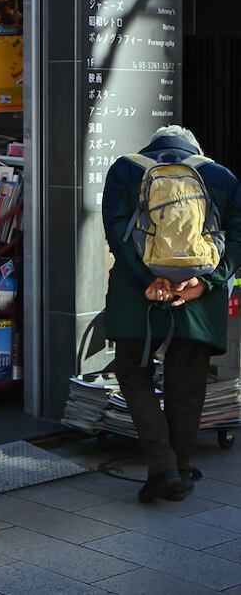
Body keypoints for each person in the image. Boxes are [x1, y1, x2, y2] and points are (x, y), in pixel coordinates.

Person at [102, 125, 241, 502]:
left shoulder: (125, 170)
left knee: (133, 374)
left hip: (137, 295)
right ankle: (178, 469)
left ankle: (162, 467)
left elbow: (116, 232)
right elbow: (237, 236)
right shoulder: (221, 176)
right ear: (195, 148)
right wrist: (205, 284)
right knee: (187, 386)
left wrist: (150, 278)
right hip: (198, 300)